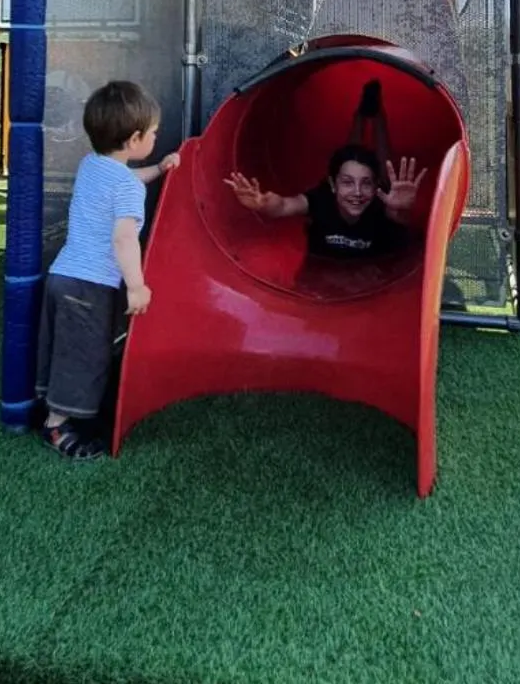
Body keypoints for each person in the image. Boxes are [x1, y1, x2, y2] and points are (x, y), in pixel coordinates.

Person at [36, 80, 179, 460]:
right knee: (84, 355)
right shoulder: (126, 190)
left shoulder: (92, 166)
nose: (155, 137)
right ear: (134, 139)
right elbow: (123, 240)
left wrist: (159, 169)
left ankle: (54, 406)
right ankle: (57, 427)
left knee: (65, 348)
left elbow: (128, 179)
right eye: (152, 134)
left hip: (62, 276)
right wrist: (136, 286)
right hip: (90, 284)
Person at [226, 144, 424, 259]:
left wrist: (403, 210)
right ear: (332, 184)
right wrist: (262, 204)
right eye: (347, 182)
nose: (357, 192)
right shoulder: (321, 199)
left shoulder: (383, 203)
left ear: (375, 187)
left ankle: (377, 117)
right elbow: (285, 205)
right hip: (323, 274)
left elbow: (399, 218)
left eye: (366, 184)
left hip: (373, 278)